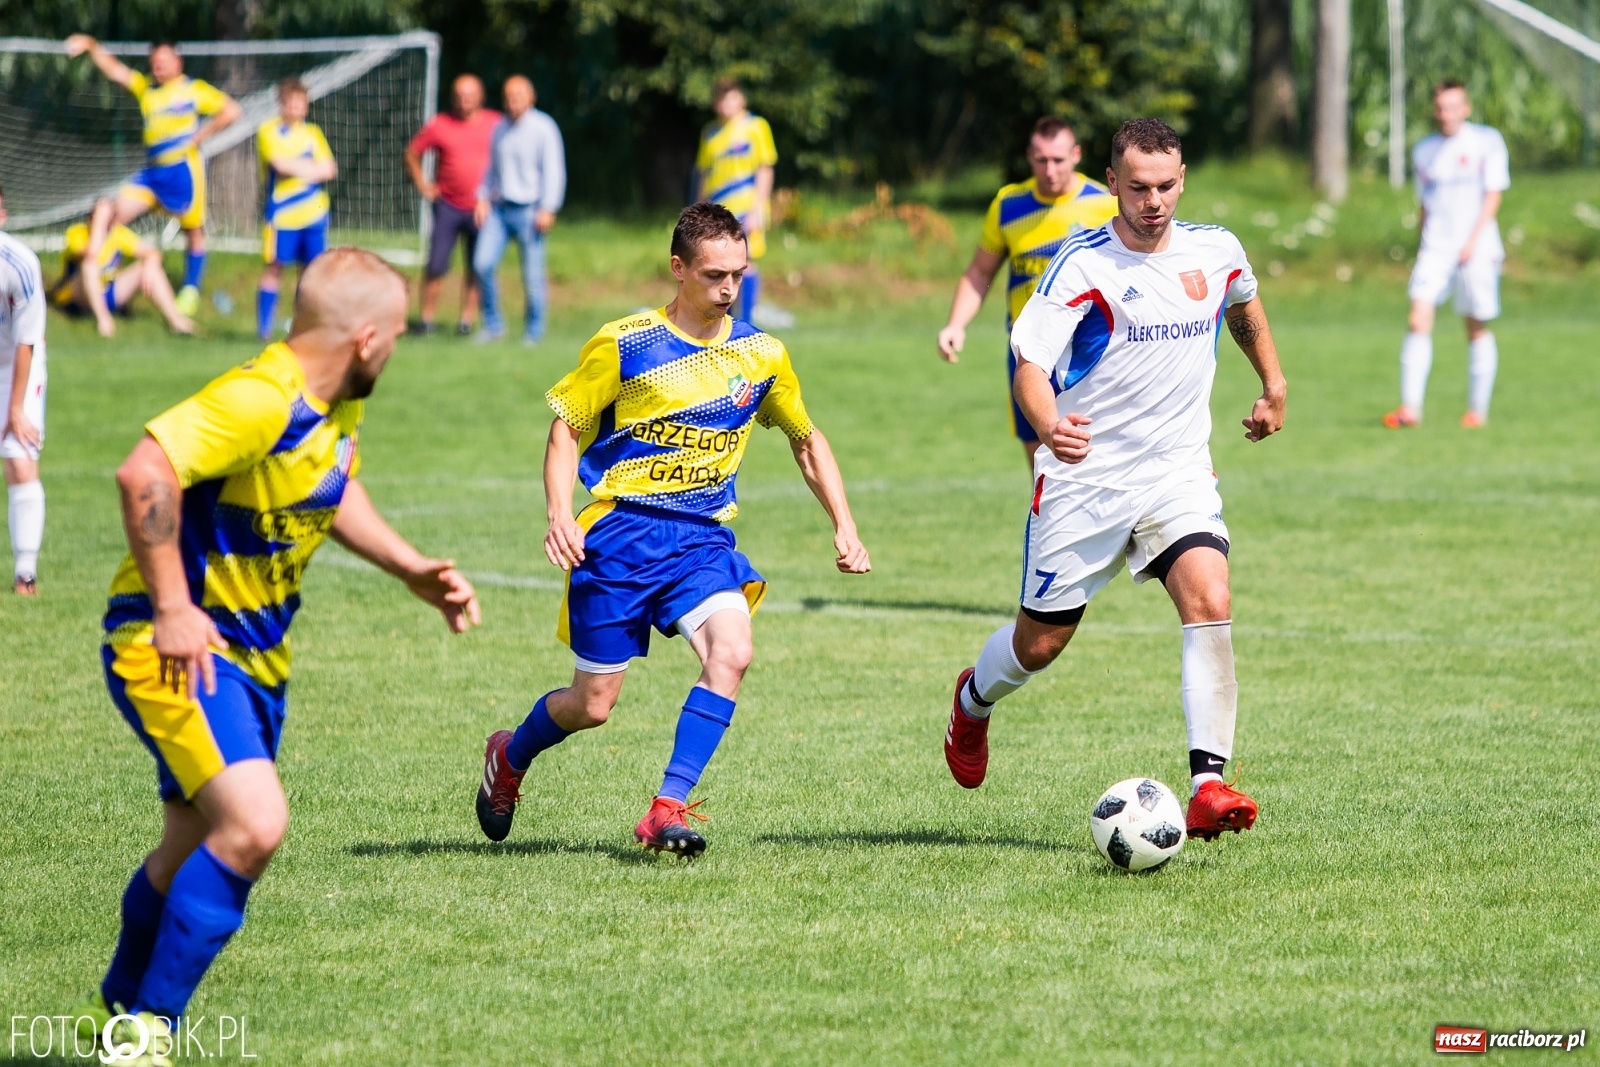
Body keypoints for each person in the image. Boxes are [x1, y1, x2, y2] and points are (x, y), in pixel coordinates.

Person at [71, 248, 480, 1052]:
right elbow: (145, 470)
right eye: (398, 335)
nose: (397, 350)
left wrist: (408, 568)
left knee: (190, 845)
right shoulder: (262, 398)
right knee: (256, 824)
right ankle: (147, 1033)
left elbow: (330, 482)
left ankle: (110, 1008)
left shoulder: (334, 404)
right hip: (175, 645)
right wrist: (174, 607)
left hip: (252, 659)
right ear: (367, 339)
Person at [474, 202, 870, 858]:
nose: (729, 288)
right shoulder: (627, 343)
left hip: (701, 541)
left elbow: (805, 438)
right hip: (620, 537)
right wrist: (558, 513)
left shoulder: (761, 354)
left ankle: (667, 807)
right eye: (714, 274)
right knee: (592, 704)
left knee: (732, 653)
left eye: (739, 274)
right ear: (678, 268)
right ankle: (509, 755)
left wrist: (845, 525)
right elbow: (567, 427)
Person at [941, 120, 1287, 843]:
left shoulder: (1215, 250)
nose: (1152, 202)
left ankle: (1208, 786)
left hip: (1176, 471)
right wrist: (1047, 426)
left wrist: (1273, 382)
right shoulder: (1081, 264)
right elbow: (1030, 364)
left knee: (1211, 596)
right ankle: (972, 702)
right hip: (1085, 478)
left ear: (1182, 179)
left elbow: (1242, 303)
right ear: (1112, 182)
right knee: (1039, 646)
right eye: (1137, 188)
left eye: (1164, 186)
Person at [937, 117, 1118, 467]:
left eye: (1058, 160)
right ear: (1029, 157)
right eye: (1041, 160)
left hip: (1089, 349)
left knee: (1097, 458)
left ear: (1076, 155)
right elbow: (979, 272)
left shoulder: (1105, 204)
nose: (1050, 170)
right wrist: (955, 324)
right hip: (1029, 353)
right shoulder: (1009, 205)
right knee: (1041, 462)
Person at [64, 36, 240, 319]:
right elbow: (115, 70)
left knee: (194, 231)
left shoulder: (192, 89)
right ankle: (99, 281)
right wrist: (91, 45)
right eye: (154, 62)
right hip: (152, 173)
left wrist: (200, 136)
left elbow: (231, 111)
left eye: (163, 61)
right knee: (112, 215)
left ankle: (190, 290)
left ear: (178, 62)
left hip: (182, 170)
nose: (158, 67)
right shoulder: (146, 88)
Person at [1384, 81, 1510, 429]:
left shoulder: (1486, 141)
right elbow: (1425, 202)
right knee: (1417, 319)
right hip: (1436, 248)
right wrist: (1422, 244)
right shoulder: (1424, 150)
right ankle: (1410, 409)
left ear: (1466, 108)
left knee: (1475, 325)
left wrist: (1472, 241)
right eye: (1440, 107)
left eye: (1453, 107)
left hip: (1477, 247)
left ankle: (1477, 411)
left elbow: (1493, 194)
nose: (1446, 114)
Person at [472, 75, 565, 345]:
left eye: (518, 96)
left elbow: (553, 170)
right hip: (499, 209)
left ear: (530, 97)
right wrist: (482, 197)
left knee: (532, 276)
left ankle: (533, 332)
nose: (512, 102)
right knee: (482, 264)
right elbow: (492, 168)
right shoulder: (500, 127)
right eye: (508, 97)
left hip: (530, 210)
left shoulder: (544, 127)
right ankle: (493, 326)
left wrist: (548, 207)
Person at [405, 74, 500, 336]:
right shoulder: (441, 124)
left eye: (469, 95)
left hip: (481, 207)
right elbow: (412, 152)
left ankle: (466, 321)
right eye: (459, 95)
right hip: (447, 205)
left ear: (480, 97)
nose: (464, 100)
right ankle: (426, 320)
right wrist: (423, 184)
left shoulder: (495, 123)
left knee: (476, 266)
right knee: (436, 264)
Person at [255, 78, 338, 341]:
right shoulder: (268, 131)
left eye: (301, 104)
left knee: (310, 273)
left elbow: (329, 169)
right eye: (291, 103)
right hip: (282, 215)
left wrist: (298, 167)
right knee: (274, 268)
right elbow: (280, 166)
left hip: (314, 213)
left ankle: (304, 327)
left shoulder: (312, 133)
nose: (296, 108)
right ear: (281, 104)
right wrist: (311, 168)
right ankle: (263, 329)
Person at [692, 79, 777, 326]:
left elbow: (765, 168)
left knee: (745, 263)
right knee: (718, 266)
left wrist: (758, 209)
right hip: (718, 213)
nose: (725, 104)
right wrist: (699, 212)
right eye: (720, 99)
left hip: (746, 210)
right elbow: (704, 174)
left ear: (742, 99)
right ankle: (724, 325)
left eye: (730, 97)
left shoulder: (756, 127)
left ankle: (746, 323)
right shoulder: (710, 133)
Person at [49, 198, 196, 337]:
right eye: (98, 217)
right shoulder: (77, 232)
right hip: (76, 298)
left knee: (149, 267)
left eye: (108, 217)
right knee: (89, 266)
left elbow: (153, 253)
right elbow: (91, 254)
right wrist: (99, 226)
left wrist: (149, 266)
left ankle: (176, 320)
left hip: (108, 293)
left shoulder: (117, 233)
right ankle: (104, 321)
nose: (106, 222)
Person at [0, 186, 47, 596]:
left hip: (19, 366)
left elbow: (26, 343)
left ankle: (25, 575)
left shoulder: (20, 264)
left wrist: (15, 409)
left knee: (18, 457)